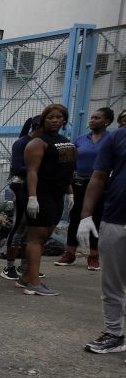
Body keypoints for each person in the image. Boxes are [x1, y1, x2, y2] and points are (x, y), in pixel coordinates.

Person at [18, 103, 76, 296]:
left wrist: (70, 192)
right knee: (36, 237)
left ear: (64, 120)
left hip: (57, 194)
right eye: (50, 117)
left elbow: (67, 169)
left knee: (44, 236)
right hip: (41, 194)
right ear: (44, 120)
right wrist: (32, 197)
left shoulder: (65, 141)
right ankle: (33, 282)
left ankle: (27, 276)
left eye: (58, 117)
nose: (54, 120)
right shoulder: (37, 142)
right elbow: (32, 171)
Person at [79, 123, 126, 354]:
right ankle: (114, 334)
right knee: (112, 283)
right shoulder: (117, 138)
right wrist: (86, 215)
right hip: (115, 219)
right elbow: (98, 177)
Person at [59, 107, 115, 270]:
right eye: (91, 117)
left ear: (106, 121)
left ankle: (93, 256)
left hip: (101, 185)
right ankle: (70, 253)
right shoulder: (80, 139)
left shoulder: (111, 139)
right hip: (79, 183)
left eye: (97, 118)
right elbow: (68, 162)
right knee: (75, 217)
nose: (92, 120)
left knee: (96, 218)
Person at [0, 116, 43, 280]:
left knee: (34, 229)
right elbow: (18, 168)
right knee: (19, 226)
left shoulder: (45, 142)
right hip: (22, 187)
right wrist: (41, 170)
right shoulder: (22, 143)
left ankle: (27, 266)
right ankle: (9, 266)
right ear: (38, 127)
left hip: (40, 189)